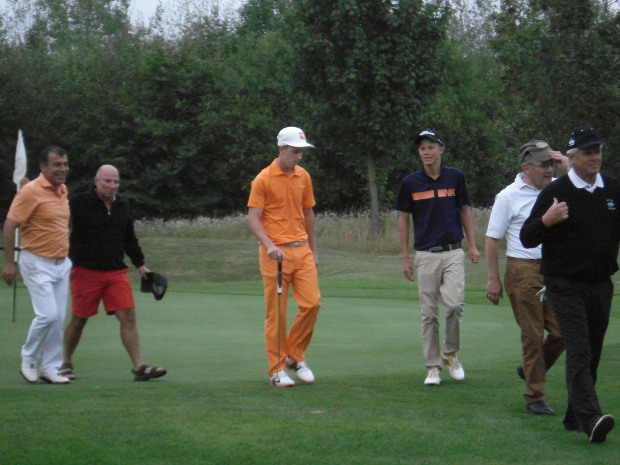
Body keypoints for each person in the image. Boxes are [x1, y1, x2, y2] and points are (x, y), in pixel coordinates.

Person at [521, 127, 616, 443]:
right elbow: (528, 236)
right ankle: (590, 419)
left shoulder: (612, 189)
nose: (595, 157)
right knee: (578, 349)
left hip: (601, 284)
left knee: (593, 353)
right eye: (588, 152)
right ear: (572, 159)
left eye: (597, 151)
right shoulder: (555, 192)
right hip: (564, 284)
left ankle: (574, 416)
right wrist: (547, 220)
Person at [60, 165, 167, 382]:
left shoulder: (123, 205)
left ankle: (139, 367)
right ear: (96, 181)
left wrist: (141, 265)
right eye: (107, 181)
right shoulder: (79, 202)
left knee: (128, 317)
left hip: (116, 272)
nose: (111, 186)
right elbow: (55, 212)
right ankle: (65, 363)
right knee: (79, 318)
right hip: (85, 270)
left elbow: (129, 238)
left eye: (115, 182)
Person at [485, 140, 567, 415]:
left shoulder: (558, 187)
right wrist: (493, 279)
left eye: (551, 163)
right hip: (523, 269)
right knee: (532, 334)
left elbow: (583, 192)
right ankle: (535, 397)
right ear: (526, 167)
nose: (549, 168)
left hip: (554, 269)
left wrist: (567, 170)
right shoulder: (507, 196)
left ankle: (532, 367)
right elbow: (492, 239)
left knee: (562, 332)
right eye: (543, 164)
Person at [395, 129, 480, 386]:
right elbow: (403, 219)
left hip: (453, 250)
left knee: (454, 305)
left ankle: (451, 353)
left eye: (431, 147)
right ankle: (433, 366)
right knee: (429, 313)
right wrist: (406, 258)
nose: (426, 152)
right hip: (425, 255)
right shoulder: (411, 182)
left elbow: (464, 210)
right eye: (422, 148)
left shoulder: (455, 177)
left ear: (441, 149)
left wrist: (473, 246)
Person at [247, 126, 321, 387]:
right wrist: (268, 244)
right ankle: (277, 369)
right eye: (294, 151)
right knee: (277, 313)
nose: (298, 156)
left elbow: (309, 213)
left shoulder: (303, 176)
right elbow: (253, 219)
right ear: (281, 149)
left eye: (301, 152)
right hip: (275, 254)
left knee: (312, 304)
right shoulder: (263, 179)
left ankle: (295, 356)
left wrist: (313, 250)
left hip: (302, 251)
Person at [2, 146, 72, 384]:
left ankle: (51, 368)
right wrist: (9, 263)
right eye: (57, 165)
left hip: (61, 263)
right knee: (48, 315)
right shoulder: (30, 191)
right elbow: (10, 226)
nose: (62, 169)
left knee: (58, 317)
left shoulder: (62, 190)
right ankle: (29, 358)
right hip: (36, 261)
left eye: (64, 164)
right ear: (43, 167)